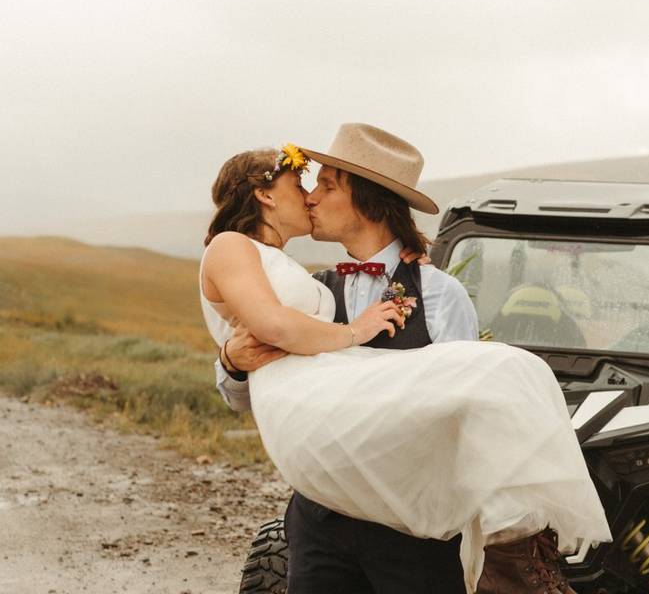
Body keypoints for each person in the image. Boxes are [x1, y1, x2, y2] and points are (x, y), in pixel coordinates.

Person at [201, 123, 611, 594]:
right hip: (320, 521)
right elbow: (244, 398)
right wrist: (232, 361)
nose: (311, 197)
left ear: (366, 199)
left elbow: (466, 411)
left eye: (328, 185)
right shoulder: (315, 290)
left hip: (412, 532)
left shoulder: (439, 294)